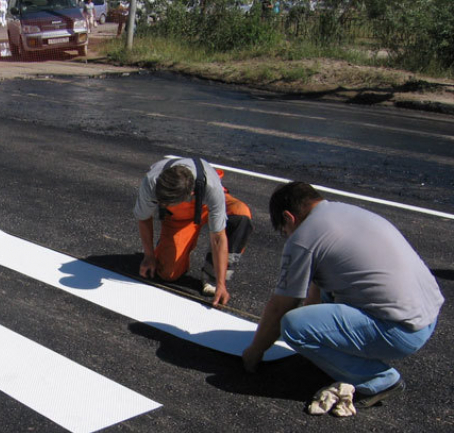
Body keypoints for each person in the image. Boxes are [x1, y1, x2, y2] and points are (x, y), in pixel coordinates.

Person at [242, 182, 444, 409]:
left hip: (401, 332)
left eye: (284, 231)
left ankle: (379, 380)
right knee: (325, 291)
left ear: (289, 218)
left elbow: (282, 306)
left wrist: (255, 351)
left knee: (292, 326)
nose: (287, 236)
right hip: (428, 315)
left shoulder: (303, 238)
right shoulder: (346, 212)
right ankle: (337, 355)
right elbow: (316, 292)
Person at [133, 157, 253, 306]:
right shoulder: (151, 182)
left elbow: (218, 238)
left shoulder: (212, 188)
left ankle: (212, 277)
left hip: (204, 201)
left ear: (189, 195)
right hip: (179, 215)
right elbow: (144, 219)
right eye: (160, 201)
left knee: (241, 214)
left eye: (166, 202)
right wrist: (149, 256)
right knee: (167, 274)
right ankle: (165, 248)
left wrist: (221, 284)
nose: (161, 204)